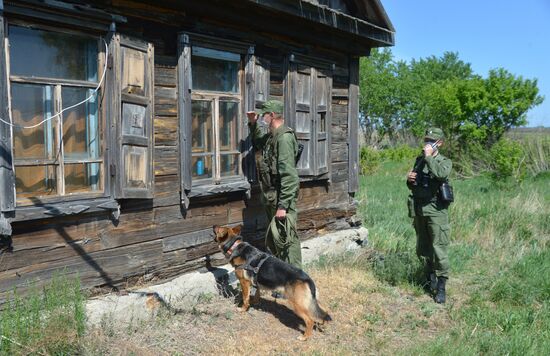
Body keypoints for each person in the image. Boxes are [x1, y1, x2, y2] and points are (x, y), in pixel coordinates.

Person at [246, 100, 302, 269]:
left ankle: (296, 281)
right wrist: (253, 123)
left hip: (281, 199)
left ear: (272, 116)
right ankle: (284, 279)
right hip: (273, 198)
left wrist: (283, 206)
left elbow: (289, 176)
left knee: (287, 241)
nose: (262, 118)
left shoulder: (283, 138)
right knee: (276, 239)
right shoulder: (272, 136)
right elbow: (257, 142)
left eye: (264, 115)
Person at [406, 127, 452, 304]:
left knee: (438, 248)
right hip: (420, 210)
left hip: (436, 211)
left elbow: (441, 174)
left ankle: (441, 287)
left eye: (431, 140)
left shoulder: (443, 161)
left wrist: (429, 157)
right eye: (426, 140)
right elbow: (414, 184)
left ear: (439, 143)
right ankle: (429, 279)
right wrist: (409, 180)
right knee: (424, 247)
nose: (427, 143)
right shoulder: (420, 160)